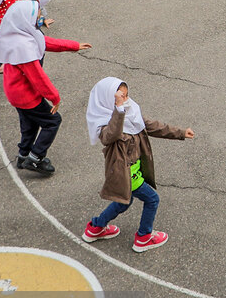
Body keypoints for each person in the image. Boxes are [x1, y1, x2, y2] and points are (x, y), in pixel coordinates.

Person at [81, 76, 194, 252]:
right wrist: (118, 110)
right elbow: (111, 135)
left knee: (124, 202)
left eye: (126, 95)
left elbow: (152, 126)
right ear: (107, 100)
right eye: (120, 97)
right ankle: (143, 238)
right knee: (152, 199)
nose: (125, 100)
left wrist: (180, 132)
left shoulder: (131, 111)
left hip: (133, 169)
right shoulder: (105, 122)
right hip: (124, 173)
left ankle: (95, 227)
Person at [0, 1, 89, 176]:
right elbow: (38, 78)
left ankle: (23, 155)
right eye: (37, 15)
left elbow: (45, 42)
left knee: (29, 124)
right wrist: (55, 97)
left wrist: (73, 45)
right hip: (26, 96)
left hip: (15, 93)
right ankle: (36, 158)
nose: (40, 18)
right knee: (53, 121)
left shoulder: (18, 35)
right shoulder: (24, 49)